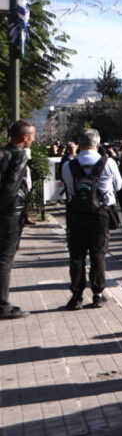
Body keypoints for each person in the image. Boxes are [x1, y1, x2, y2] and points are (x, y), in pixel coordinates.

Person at [62, 128, 122, 310]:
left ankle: (77, 296)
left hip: (76, 214)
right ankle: (97, 294)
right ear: (97, 143)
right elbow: (118, 186)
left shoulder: (68, 165)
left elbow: (68, 186)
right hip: (100, 214)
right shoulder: (109, 162)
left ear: (79, 144)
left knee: (77, 256)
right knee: (98, 254)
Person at [0, 121, 35, 319]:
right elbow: (11, 187)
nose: (33, 139)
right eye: (32, 135)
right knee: (5, 259)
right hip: (9, 213)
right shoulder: (19, 154)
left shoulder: (3, 152)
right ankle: (3, 305)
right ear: (25, 137)